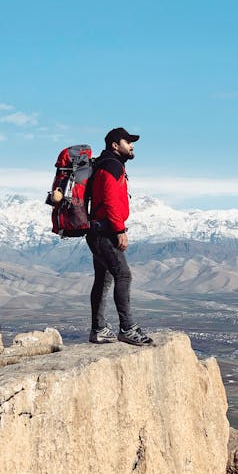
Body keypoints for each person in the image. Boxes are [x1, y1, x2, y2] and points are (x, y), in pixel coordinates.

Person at [86, 127, 153, 346]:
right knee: (123, 276)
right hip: (106, 231)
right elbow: (111, 200)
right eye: (128, 142)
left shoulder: (105, 164)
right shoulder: (113, 166)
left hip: (96, 230)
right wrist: (119, 230)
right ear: (115, 146)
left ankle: (98, 330)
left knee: (103, 280)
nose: (132, 145)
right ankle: (127, 329)